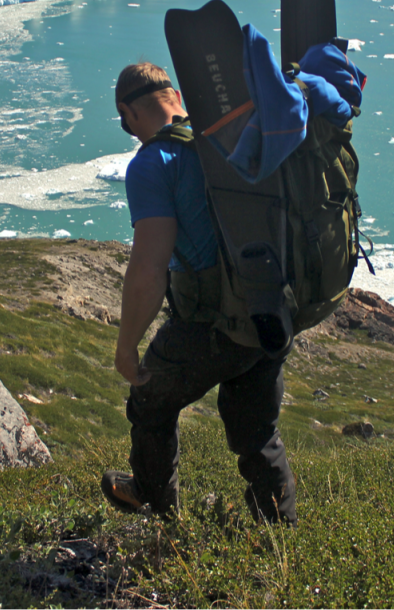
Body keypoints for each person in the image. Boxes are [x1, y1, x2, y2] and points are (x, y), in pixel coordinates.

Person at [101, 62, 297, 525]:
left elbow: (150, 267)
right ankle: (281, 533)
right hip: (271, 309)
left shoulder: (153, 162)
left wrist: (127, 348)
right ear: (175, 96)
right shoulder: (231, 136)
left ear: (129, 113)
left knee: (149, 399)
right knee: (256, 431)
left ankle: (152, 503)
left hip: (211, 324)